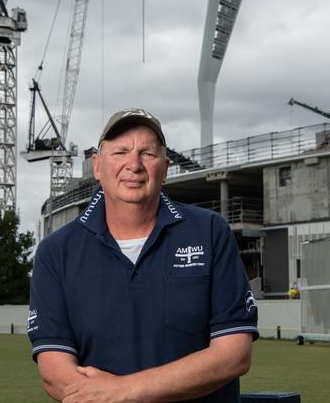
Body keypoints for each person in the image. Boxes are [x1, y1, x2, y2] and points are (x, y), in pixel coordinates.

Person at [28, 108, 258, 403]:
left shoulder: (209, 232)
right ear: (97, 166)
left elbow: (233, 355)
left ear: (165, 167)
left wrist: (122, 392)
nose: (133, 164)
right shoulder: (56, 251)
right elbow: (55, 370)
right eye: (120, 152)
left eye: (147, 153)